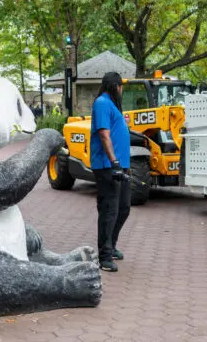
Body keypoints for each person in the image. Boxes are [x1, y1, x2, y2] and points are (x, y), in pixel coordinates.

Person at [90, 72, 131, 272]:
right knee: (109, 211)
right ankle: (104, 256)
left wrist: (123, 164)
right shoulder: (102, 103)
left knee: (124, 208)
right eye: (121, 86)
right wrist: (114, 161)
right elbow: (104, 135)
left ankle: (111, 245)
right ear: (115, 86)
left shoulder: (111, 104)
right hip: (107, 166)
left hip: (118, 165)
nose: (122, 90)